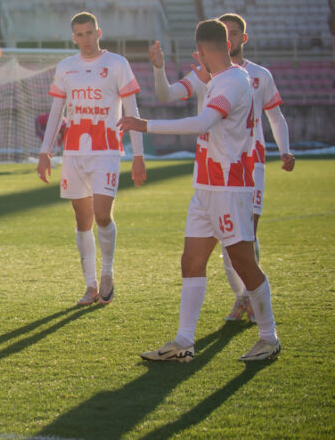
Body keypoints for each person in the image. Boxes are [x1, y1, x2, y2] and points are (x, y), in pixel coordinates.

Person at [120, 18, 280, 362]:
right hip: (206, 186)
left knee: (242, 261)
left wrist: (144, 125)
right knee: (191, 260)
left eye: (199, 53)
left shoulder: (232, 82)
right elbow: (175, 96)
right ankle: (183, 341)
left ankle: (269, 337)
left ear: (205, 50)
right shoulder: (220, 78)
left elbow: (200, 123)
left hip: (229, 187)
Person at [148, 12, 295, 322]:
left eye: (233, 33)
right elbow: (166, 94)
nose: (229, 38)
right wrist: (159, 69)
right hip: (211, 169)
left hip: (245, 166)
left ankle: (258, 313)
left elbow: (275, 116)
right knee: (222, 249)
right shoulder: (205, 75)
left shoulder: (256, 75)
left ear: (241, 39)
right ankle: (243, 299)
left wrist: (285, 150)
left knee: (243, 242)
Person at [37, 12, 147, 306]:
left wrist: (139, 156)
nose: (85, 40)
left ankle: (108, 272)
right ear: (73, 38)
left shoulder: (116, 64)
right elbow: (56, 112)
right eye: (79, 35)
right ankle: (90, 285)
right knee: (81, 219)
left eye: (89, 33)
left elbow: (132, 111)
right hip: (73, 152)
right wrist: (45, 152)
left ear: (99, 32)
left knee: (101, 215)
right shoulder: (66, 68)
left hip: (106, 150)